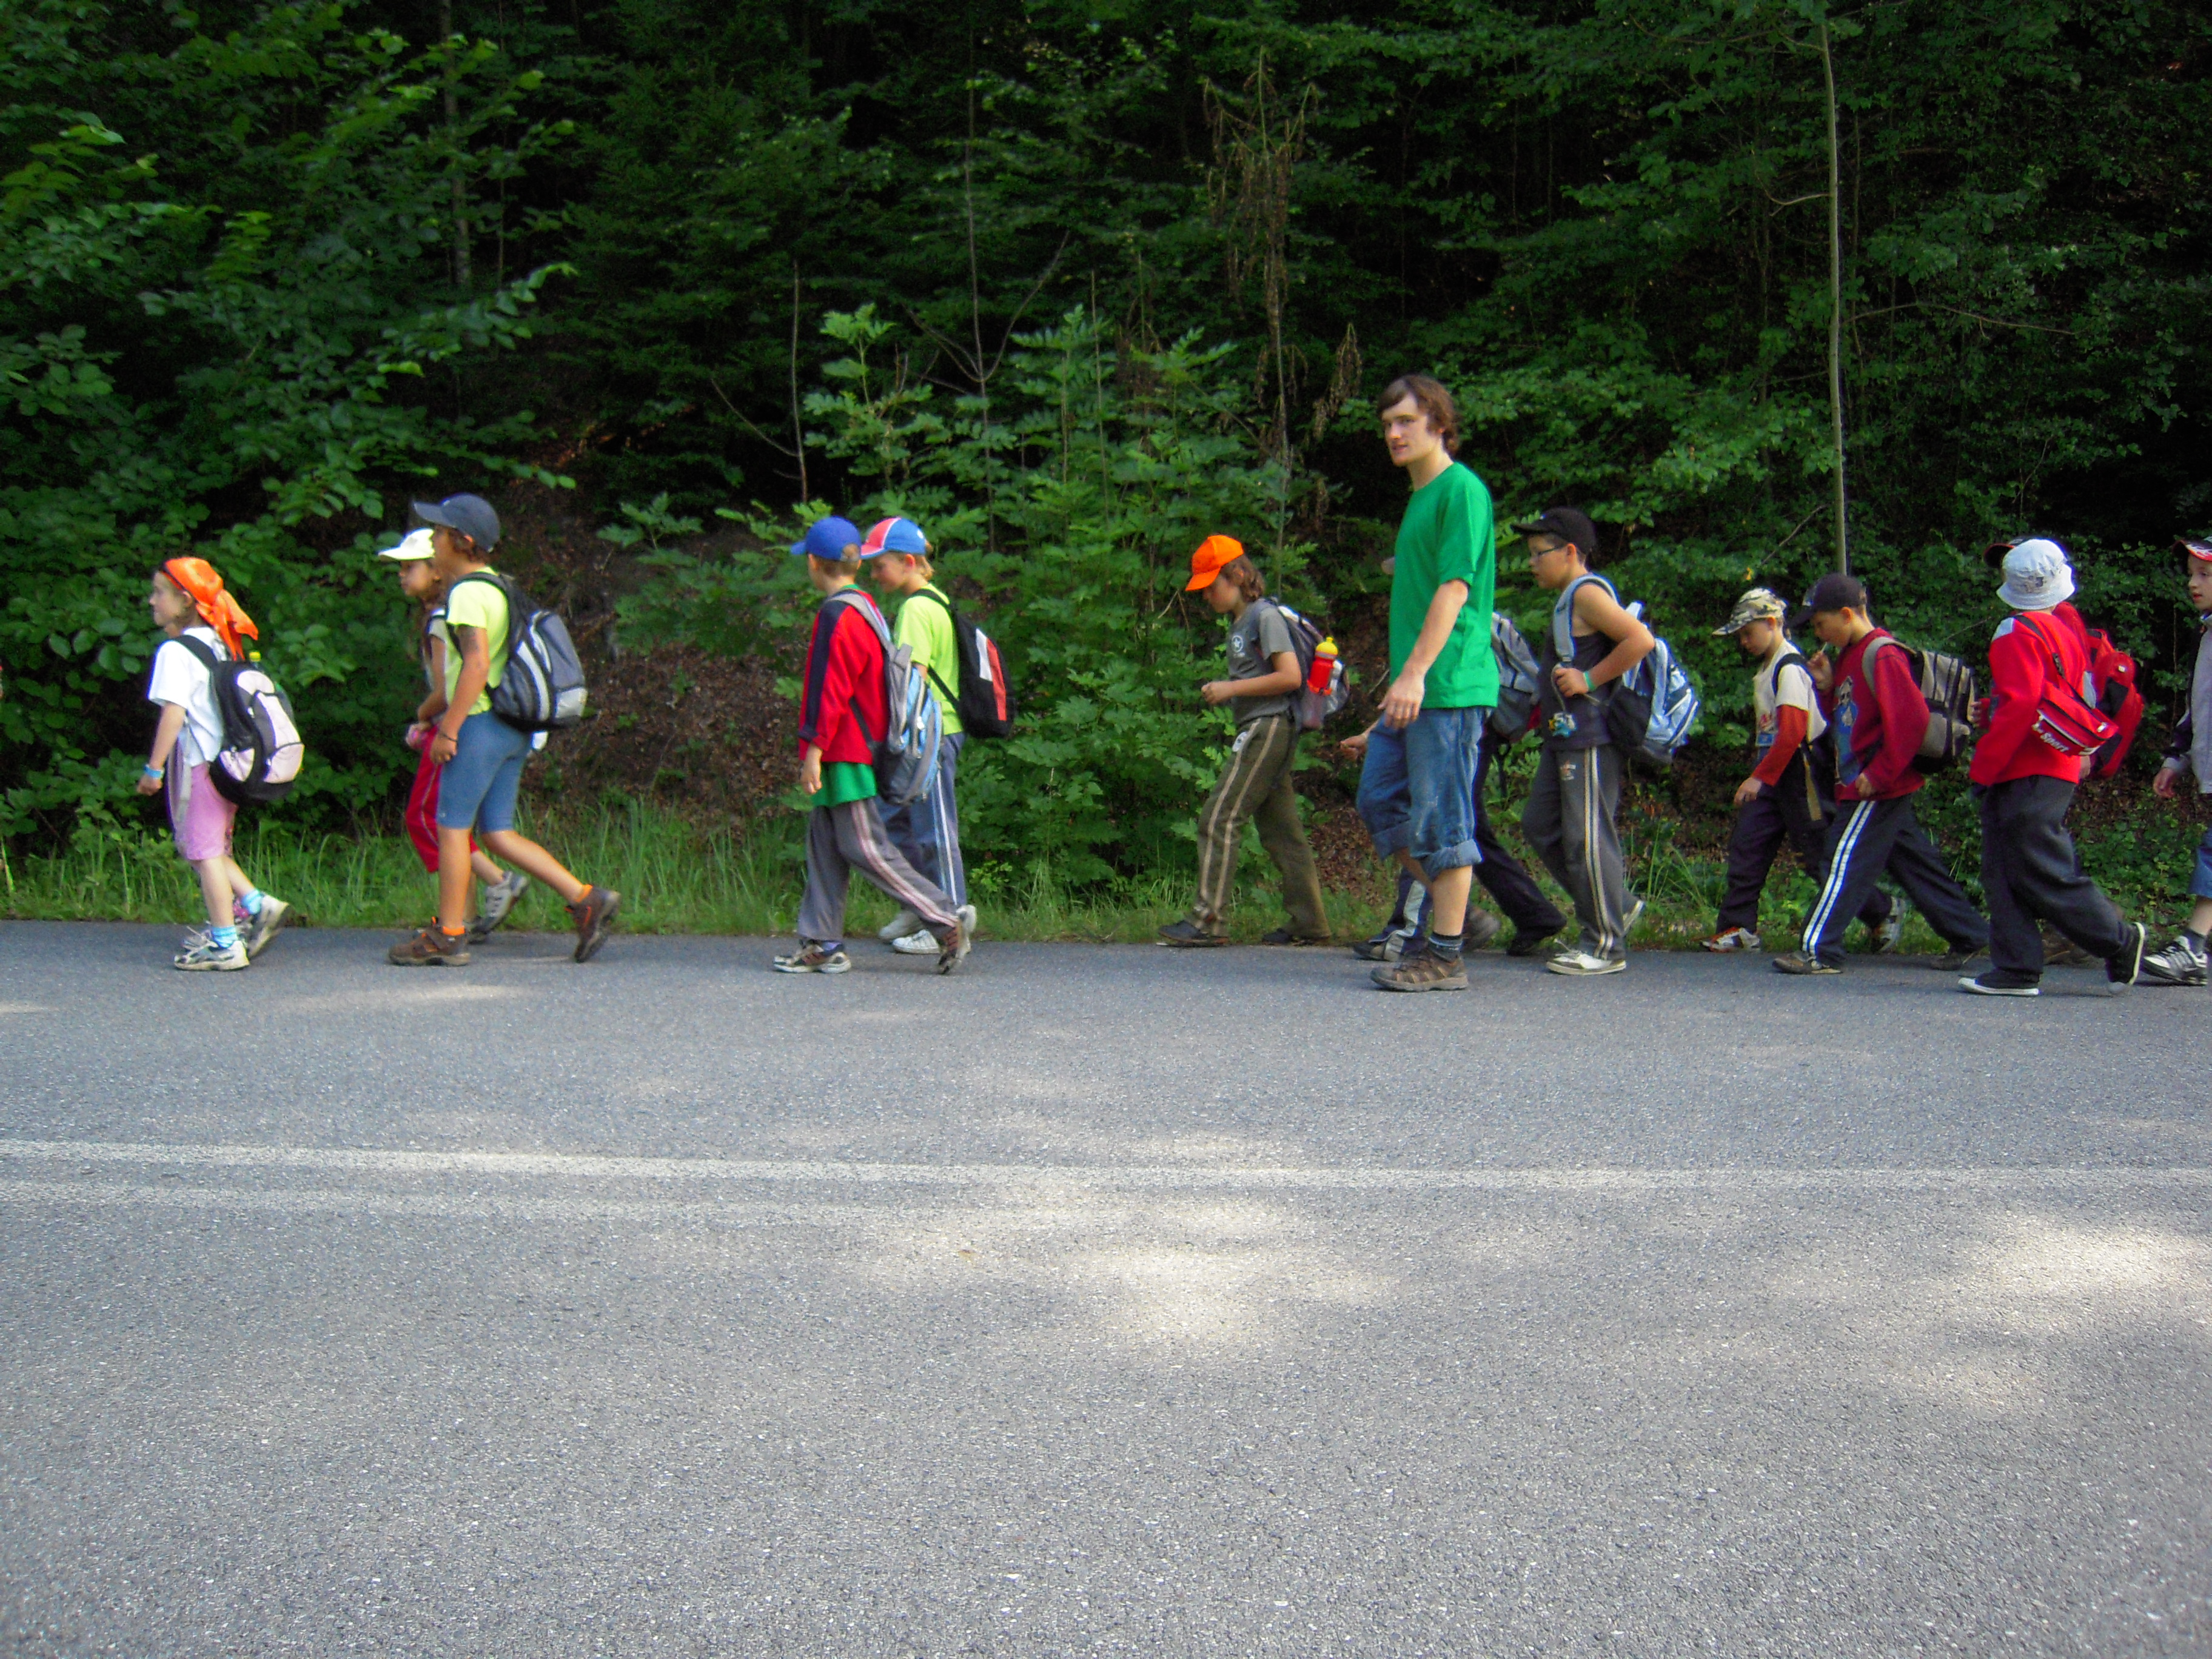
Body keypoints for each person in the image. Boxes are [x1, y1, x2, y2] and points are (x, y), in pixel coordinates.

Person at [387, 494, 620, 966]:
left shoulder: (466, 594)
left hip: (480, 725)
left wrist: (449, 730)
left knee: (451, 828)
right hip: (513, 727)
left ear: (462, 541)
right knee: (496, 833)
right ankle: (586, 899)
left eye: (440, 533)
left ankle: (449, 935)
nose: (433, 541)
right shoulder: (500, 586)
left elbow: (474, 666)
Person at [776, 516, 975, 975]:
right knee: (825, 845)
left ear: (814, 563)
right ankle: (822, 943)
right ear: (857, 562)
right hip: (853, 747)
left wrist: (813, 751)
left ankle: (946, 919)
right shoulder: (865, 606)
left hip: (843, 751)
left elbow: (831, 688)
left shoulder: (837, 614)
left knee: (866, 848)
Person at [1353, 374, 1499, 992]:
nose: (1394, 433)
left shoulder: (1460, 491)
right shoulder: (1420, 499)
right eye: (1387, 424)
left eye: (1406, 421)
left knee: (1443, 823)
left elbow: (1455, 590)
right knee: (1379, 800)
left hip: (1448, 686)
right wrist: (1396, 693)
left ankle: (1445, 956)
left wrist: (1413, 675)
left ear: (1439, 424)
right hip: (1416, 689)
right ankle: (1456, 913)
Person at [1771, 572, 1990, 976]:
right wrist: (1827, 687)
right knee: (1915, 865)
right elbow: (1850, 720)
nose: (1818, 633)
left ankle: (1820, 950)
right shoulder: (1849, 656)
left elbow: (1912, 720)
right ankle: (1970, 933)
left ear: (1847, 614)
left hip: (1874, 785)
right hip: (1870, 780)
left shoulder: (1882, 654)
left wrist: (1881, 774)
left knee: (1841, 861)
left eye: (1820, 623)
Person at [1957, 540, 2147, 995]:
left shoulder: (2014, 630)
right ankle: (2016, 967)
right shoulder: (2065, 629)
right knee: (2009, 865)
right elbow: (2055, 694)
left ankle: (2117, 940)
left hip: (2025, 766)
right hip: (2055, 760)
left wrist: (1984, 766)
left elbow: (2023, 703)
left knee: (2037, 866)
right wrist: (1997, 710)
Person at [1156, 535, 1330, 947]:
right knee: (1281, 830)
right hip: (1266, 727)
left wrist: (1230, 689)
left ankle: (1208, 921)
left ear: (1236, 575)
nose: (1207, 597)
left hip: (1268, 727)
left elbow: (1290, 677)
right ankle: (1310, 922)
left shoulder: (1263, 617)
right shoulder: (1243, 622)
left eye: (1211, 586)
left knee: (1220, 817)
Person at [1702, 587, 1896, 953]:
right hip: (1771, 765)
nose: (1744, 642)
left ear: (1772, 623)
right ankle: (1737, 927)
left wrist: (1759, 778)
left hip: (1797, 770)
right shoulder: (1768, 667)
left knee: (1816, 852)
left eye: (1748, 632)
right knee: (1748, 845)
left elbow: (1792, 733)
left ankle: (1881, 910)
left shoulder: (1790, 667)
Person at [1516, 508, 1655, 976]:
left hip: (1589, 737)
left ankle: (1604, 945)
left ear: (1570, 551)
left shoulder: (1587, 594)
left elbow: (1640, 640)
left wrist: (1589, 678)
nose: (1531, 563)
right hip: (1563, 737)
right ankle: (1618, 905)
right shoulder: (1568, 598)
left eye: (1539, 553)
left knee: (1587, 838)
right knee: (1540, 825)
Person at [134, 558, 290, 970]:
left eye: (159, 593)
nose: (152, 601)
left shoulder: (175, 651)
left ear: (185, 600)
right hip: (229, 764)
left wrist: (154, 769)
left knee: (204, 854)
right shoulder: (219, 642)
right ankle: (257, 905)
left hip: (202, 765)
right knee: (210, 848)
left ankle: (226, 944)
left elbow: (174, 713)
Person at [379, 529, 529, 942]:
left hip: (459, 726)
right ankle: (464, 915)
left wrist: (428, 719)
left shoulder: (449, 612)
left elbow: (452, 683)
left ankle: (487, 893)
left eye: (410, 566)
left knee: (434, 821)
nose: (402, 575)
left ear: (436, 569)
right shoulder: (474, 597)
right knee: (458, 824)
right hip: (477, 723)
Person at [862, 517, 970, 956]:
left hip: (929, 736)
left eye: (880, 565)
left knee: (934, 830)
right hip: (932, 734)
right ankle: (919, 904)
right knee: (896, 819)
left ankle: (950, 918)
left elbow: (912, 680)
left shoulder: (916, 610)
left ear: (909, 562)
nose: (874, 574)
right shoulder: (936, 600)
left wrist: (897, 739)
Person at [2141, 536, 2212, 987]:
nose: (2193, 583)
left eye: (2205, 574)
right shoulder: (2205, 635)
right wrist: (2176, 759)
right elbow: (2196, 706)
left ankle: (2192, 947)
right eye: (2191, 573)